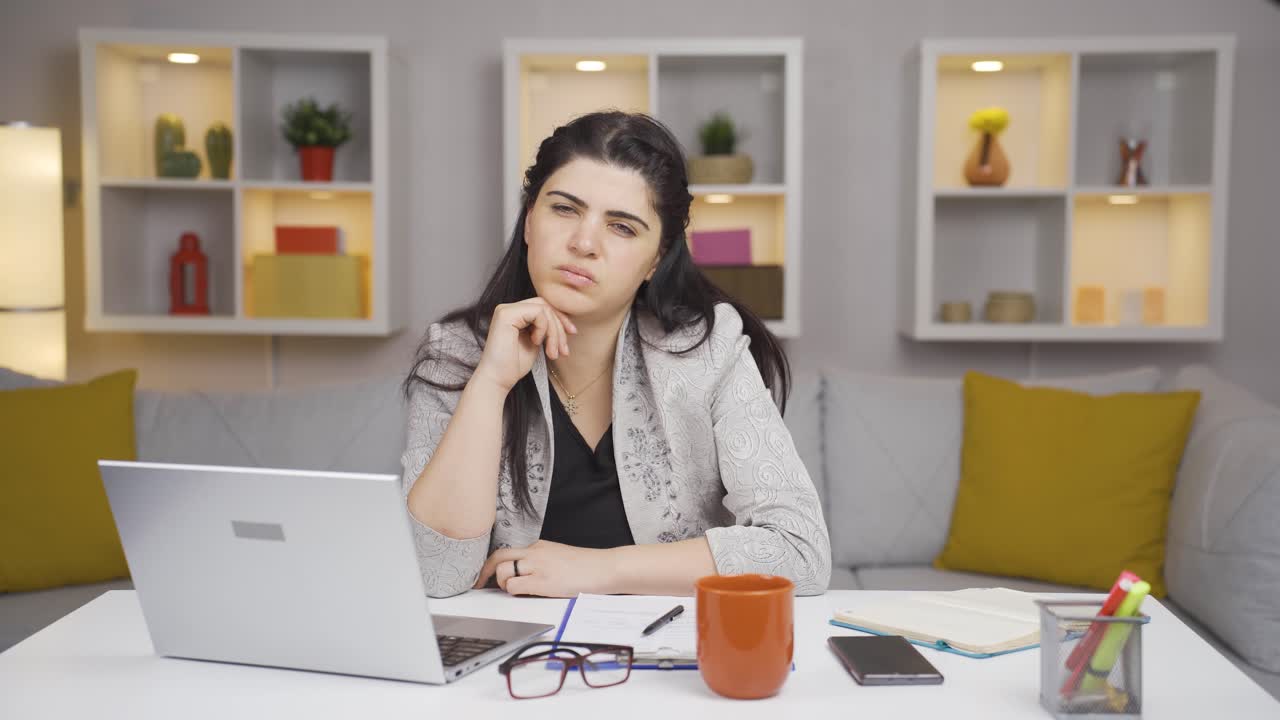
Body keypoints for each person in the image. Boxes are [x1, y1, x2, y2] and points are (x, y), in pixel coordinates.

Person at [401, 110, 830, 599]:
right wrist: (490, 383)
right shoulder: (455, 352)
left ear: (656, 259)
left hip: (667, 640)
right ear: (529, 220)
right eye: (564, 209)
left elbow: (800, 551)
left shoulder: (708, 351)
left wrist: (597, 570)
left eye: (622, 227)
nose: (584, 243)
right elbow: (433, 575)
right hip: (513, 641)